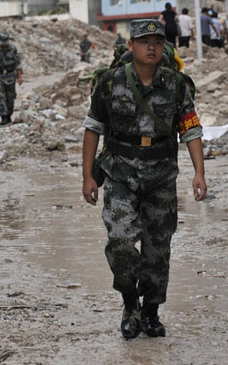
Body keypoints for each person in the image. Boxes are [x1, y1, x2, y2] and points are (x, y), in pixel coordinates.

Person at [82, 19, 207, 340]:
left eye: (156, 41)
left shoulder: (176, 84)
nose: (150, 46)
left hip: (161, 176)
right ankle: (129, 303)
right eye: (143, 41)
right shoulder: (110, 83)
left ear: (162, 46)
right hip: (120, 174)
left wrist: (199, 172)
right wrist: (87, 176)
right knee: (121, 242)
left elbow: (190, 129)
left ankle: (151, 312)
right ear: (131, 46)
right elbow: (93, 127)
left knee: (157, 248)